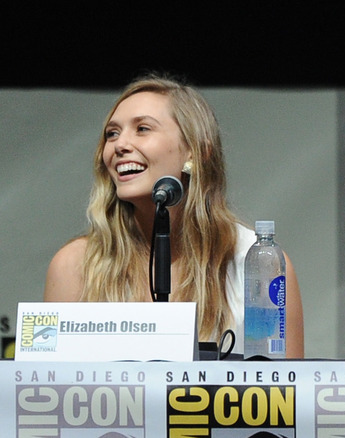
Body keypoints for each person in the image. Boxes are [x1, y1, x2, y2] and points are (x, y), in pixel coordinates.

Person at [44, 73, 304, 358]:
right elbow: (49, 393)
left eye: (142, 129)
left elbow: (285, 393)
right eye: (112, 133)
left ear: (196, 151)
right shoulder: (75, 265)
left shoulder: (258, 262)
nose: (119, 145)